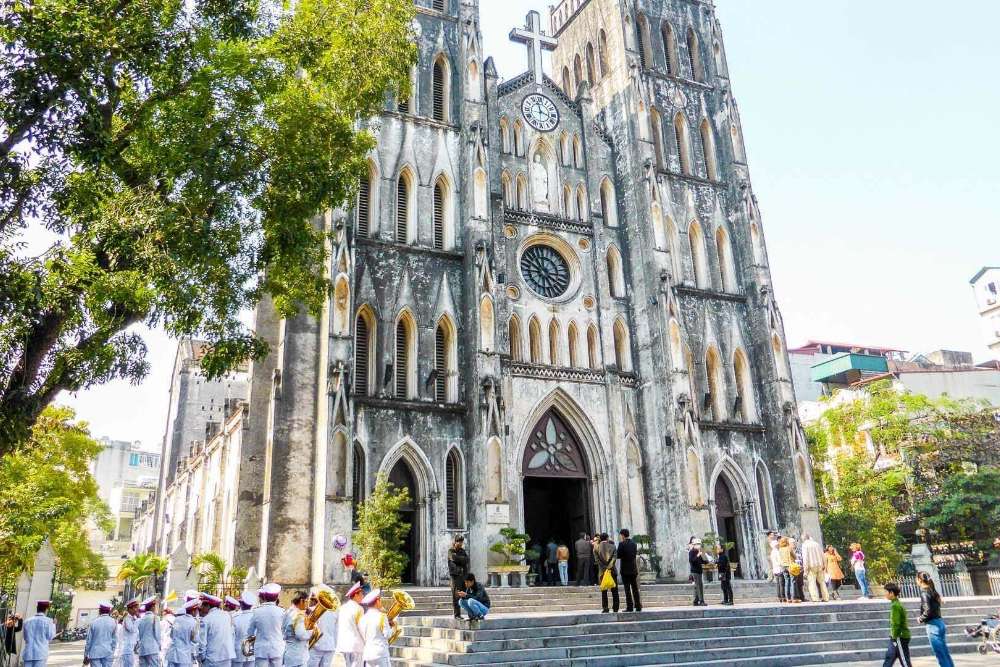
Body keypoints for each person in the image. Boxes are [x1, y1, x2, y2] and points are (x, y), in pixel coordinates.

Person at [917, 572, 955, 667]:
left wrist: (920, 619)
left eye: (916, 579)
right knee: (944, 653)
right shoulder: (932, 591)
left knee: (940, 655)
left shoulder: (924, 592)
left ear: (920, 580)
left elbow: (927, 610)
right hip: (939, 622)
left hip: (933, 625)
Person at [248, 583, 285, 667]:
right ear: (276, 598)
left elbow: (250, 632)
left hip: (261, 650)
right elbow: (285, 631)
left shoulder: (256, 611)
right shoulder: (282, 611)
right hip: (277, 648)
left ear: (264, 597)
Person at [358, 590, 394, 667]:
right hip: (380, 653)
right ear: (377, 601)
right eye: (380, 600)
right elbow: (387, 635)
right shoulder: (382, 616)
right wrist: (393, 627)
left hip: (368, 653)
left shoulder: (363, 618)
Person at [198, 594, 236, 667]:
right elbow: (232, 635)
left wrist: (202, 658)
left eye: (203, 605)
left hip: (212, 658)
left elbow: (202, 643)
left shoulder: (206, 619)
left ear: (208, 606)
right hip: (227, 656)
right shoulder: (227, 616)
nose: (201, 608)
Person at [335, 583, 365, 667]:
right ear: (356, 595)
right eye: (361, 594)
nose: (363, 596)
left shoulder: (342, 608)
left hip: (343, 645)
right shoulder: (359, 609)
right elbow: (362, 629)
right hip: (356, 645)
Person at [882, 583, 912, 667]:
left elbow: (896, 624)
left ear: (891, 593)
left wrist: (894, 637)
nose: (885, 594)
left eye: (886, 592)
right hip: (896, 637)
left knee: (904, 661)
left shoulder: (895, 606)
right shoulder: (896, 603)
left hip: (899, 637)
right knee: (889, 658)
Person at [307, 586, 338, 667]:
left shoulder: (311, 610)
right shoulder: (336, 612)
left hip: (315, 646)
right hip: (330, 646)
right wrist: (334, 645)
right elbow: (336, 631)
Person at [165, 600, 199, 667]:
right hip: (184, 656)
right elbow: (195, 640)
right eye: (196, 611)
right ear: (193, 611)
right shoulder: (193, 622)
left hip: (172, 654)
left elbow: (172, 635)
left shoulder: (177, 619)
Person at [22, 600, 56, 667]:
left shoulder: (27, 621)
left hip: (28, 653)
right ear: (46, 609)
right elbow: (50, 637)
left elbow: (25, 638)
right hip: (41, 654)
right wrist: (54, 625)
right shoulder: (49, 621)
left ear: (37, 608)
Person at [281, 592, 311, 667]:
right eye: (307, 601)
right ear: (301, 601)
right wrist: (311, 630)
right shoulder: (297, 615)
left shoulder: (288, 611)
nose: (308, 605)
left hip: (290, 652)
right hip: (298, 655)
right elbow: (301, 635)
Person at [84, 602, 118, 667]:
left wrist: (86, 655)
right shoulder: (113, 622)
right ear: (109, 611)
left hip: (94, 653)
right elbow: (114, 640)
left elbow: (88, 641)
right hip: (108, 652)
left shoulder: (94, 622)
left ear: (100, 611)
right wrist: (112, 651)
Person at [617, 529, 641, 613]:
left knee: (627, 589)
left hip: (625, 569)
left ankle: (630, 606)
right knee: (635, 588)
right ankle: (638, 606)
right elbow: (634, 554)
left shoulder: (621, 544)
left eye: (621, 535)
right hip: (633, 569)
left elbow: (618, 555)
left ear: (623, 535)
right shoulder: (634, 544)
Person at [594, 533, 619, 613]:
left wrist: (604, 567)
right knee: (614, 590)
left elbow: (597, 560)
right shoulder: (613, 546)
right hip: (612, 570)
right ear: (607, 538)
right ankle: (615, 607)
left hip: (602, 572)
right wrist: (609, 566)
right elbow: (614, 558)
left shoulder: (596, 548)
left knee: (604, 591)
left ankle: (605, 607)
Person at [801, 534, 829, 602]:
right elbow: (822, 555)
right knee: (822, 582)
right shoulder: (816, 544)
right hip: (819, 565)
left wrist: (805, 570)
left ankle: (815, 598)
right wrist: (824, 565)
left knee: (812, 582)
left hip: (811, 566)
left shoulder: (805, 545)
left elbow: (805, 558)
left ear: (803, 539)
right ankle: (826, 597)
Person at [447, 536, 469, 619]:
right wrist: (461, 560)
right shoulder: (451, 551)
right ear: (455, 542)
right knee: (456, 596)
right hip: (455, 576)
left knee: (464, 595)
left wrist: (459, 559)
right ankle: (457, 615)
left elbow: (467, 560)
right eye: (459, 542)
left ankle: (470, 613)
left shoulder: (462, 551)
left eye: (461, 542)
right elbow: (453, 558)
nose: (460, 543)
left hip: (463, 576)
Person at [231, 592, 255, 667]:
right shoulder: (255, 616)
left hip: (238, 652)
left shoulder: (234, 617)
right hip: (252, 651)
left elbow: (231, 636)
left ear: (240, 603)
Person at [137, 598, 162, 667]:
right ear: (153, 607)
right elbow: (157, 634)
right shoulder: (155, 618)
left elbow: (139, 634)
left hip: (142, 648)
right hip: (152, 648)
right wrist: (159, 645)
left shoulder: (141, 619)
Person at [688, 538, 707, 606]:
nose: (699, 546)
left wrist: (707, 561)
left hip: (699, 571)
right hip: (695, 572)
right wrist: (697, 555)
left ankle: (695, 601)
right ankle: (701, 601)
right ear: (694, 545)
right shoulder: (692, 552)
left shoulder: (698, 552)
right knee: (699, 586)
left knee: (697, 586)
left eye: (699, 544)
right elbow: (691, 561)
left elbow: (701, 561)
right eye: (698, 544)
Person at [770, 539, 786, 603]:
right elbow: (780, 561)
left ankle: (779, 597)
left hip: (775, 570)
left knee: (778, 584)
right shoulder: (777, 552)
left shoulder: (772, 552)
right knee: (781, 584)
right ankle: (783, 597)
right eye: (777, 544)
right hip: (779, 569)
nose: (778, 545)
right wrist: (783, 565)